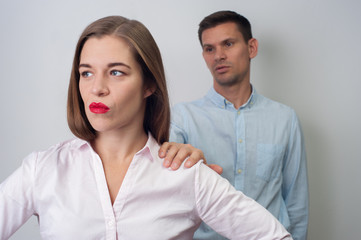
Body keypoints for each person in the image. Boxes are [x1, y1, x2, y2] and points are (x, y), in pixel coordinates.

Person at [0, 16, 292, 239]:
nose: (97, 88)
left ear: (149, 84)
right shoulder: (42, 170)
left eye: (116, 72)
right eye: (86, 73)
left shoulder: (187, 175)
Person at [160, 10, 309, 240]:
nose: (218, 55)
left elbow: (296, 202)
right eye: (210, 49)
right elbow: (167, 199)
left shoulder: (284, 119)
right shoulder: (181, 118)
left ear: (252, 48)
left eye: (228, 44)